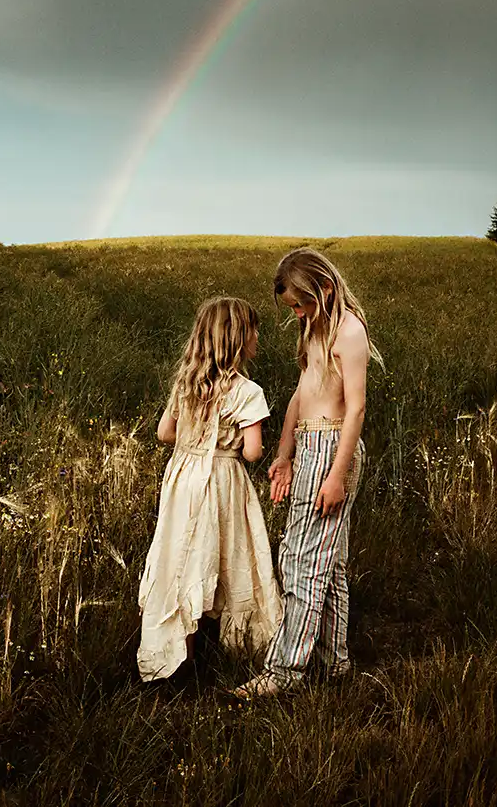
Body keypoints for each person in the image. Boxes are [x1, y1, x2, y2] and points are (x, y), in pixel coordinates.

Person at [233, 247, 382, 698]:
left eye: (300, 303)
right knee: (328, 563)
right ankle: (334, 663)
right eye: (292, 306)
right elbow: (302, 393)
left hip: (334, 447)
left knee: (301, 563)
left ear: (326, 289)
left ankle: (283, 672)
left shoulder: (348, 332)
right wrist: (284, 452)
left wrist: (336, 475)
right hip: (310, 444)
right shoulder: (314, 328)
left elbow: (355, 409)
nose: (296, 313)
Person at [137, 296, 283, 682]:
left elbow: (164, 433)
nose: (257, 337)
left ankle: (178, 654)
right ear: (237, 339)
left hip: (184, 483)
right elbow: (252, 453)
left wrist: (192, 442)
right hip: (222, 483)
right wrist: (254, 445)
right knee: (230, 556)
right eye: (253, 330)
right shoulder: (247, 391)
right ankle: (239, 649)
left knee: (182, 557)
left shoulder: (186, 382)